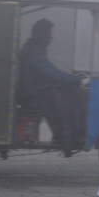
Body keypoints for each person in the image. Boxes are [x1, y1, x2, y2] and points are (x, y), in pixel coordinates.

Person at [17, 19, 89, 157]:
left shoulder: (34, 48)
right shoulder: (34, 51)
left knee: (66, 94)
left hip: (33, 90)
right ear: (42, 33)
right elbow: (50, 72)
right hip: (31, 94)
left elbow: (49, 71)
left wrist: (70, 79)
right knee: (67, 99)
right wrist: (75, 80)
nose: (51, 36)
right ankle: (66, 139)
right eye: (49, 33)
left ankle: (65, 138)